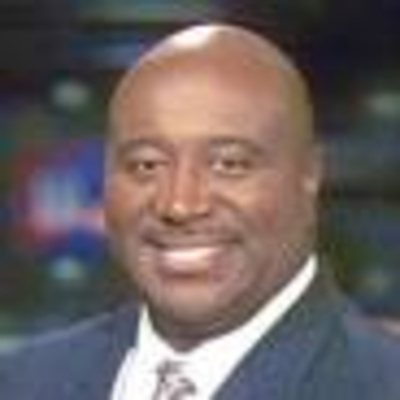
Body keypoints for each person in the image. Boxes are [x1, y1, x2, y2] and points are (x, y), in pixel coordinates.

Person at [1, 23, 400, 400]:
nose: (179, 204)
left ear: (309, 175)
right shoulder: (20, 380)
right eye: (146, 165)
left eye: (229, 164)